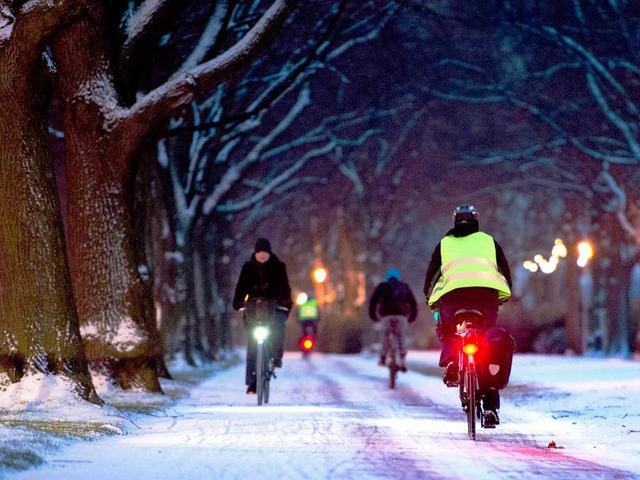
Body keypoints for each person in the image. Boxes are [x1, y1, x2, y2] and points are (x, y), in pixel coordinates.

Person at [423, 205, 512, 427]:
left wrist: (429, 296)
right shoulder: (489, 241)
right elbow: (504, 270)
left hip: (453, 300)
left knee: (447, 328)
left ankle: (453, 360)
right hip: (486, 299)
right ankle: (491, 406)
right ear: (476, 221)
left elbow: (432, 274)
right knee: (488, 342)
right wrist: (504, 291)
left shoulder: (444, 244)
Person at [233, 238, 292, 394]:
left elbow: (285, 287)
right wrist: (238, 302)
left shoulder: (279, 267)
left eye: (265, 252)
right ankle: (252, 380)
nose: (263, 255)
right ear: (255, 253)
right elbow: (241, 287)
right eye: (260, 252)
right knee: (252, 343)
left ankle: (276, 357)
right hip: (253, 308)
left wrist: (285, 303)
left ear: (269, 252)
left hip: (274, 307)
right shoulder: (247, 268)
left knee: (277, 329)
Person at [368, 268, 418, 372]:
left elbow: (373, 302)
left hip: (386, 316)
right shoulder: (404, 287)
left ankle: (383, 357)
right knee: (401, 336)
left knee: (385, 335)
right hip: (401, 316)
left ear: (387, 277)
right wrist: (412, 317)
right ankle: (403, 358)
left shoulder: (382, 287)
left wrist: (373, 316)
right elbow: (413, 303)